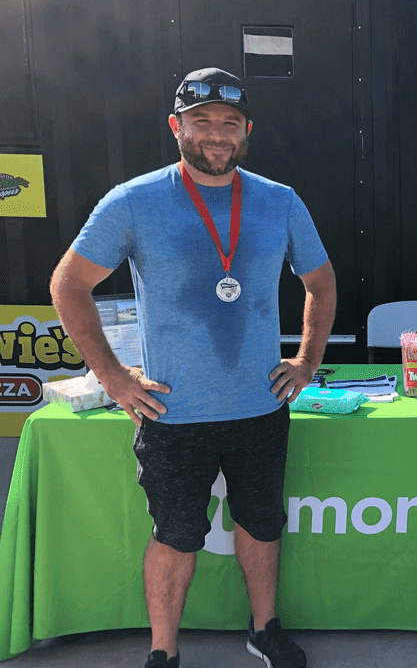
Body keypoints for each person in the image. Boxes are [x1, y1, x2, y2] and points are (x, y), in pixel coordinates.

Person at [50, 68, 336, 668]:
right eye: (202, 122)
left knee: (260, 525)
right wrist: (114, 378)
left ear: (247, 130)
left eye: (229, 123)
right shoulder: (133, 200)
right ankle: (164, 652)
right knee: (175, 535)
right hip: (172, 412)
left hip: (260, 407)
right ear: (177, 127)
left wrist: (307, 359)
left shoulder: (279, 201)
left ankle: (265, 629)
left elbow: (320, 280)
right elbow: (69, 284)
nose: (216, 135)